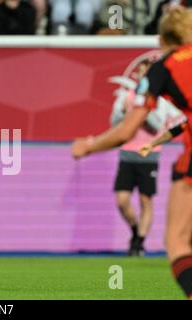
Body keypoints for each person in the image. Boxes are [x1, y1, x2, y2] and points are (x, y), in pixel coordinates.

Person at [71, 7, 192, 298]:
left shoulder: (163, 68)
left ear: (162, 40)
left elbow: (126, 130)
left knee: (178, 243)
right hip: (146, 153)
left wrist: (88, 146)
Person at [110, 59, 184, 256]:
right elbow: (115, 123)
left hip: (149, 157)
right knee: (122, 200)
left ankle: (139, 244)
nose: (145, 77)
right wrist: (128, 109)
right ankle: (135, 231)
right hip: (128, 154)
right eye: (141, 73)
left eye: (148, 73)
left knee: (146, 200)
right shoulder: (127, 96)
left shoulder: (160, 101)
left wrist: (142, 109)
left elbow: (159, 125)